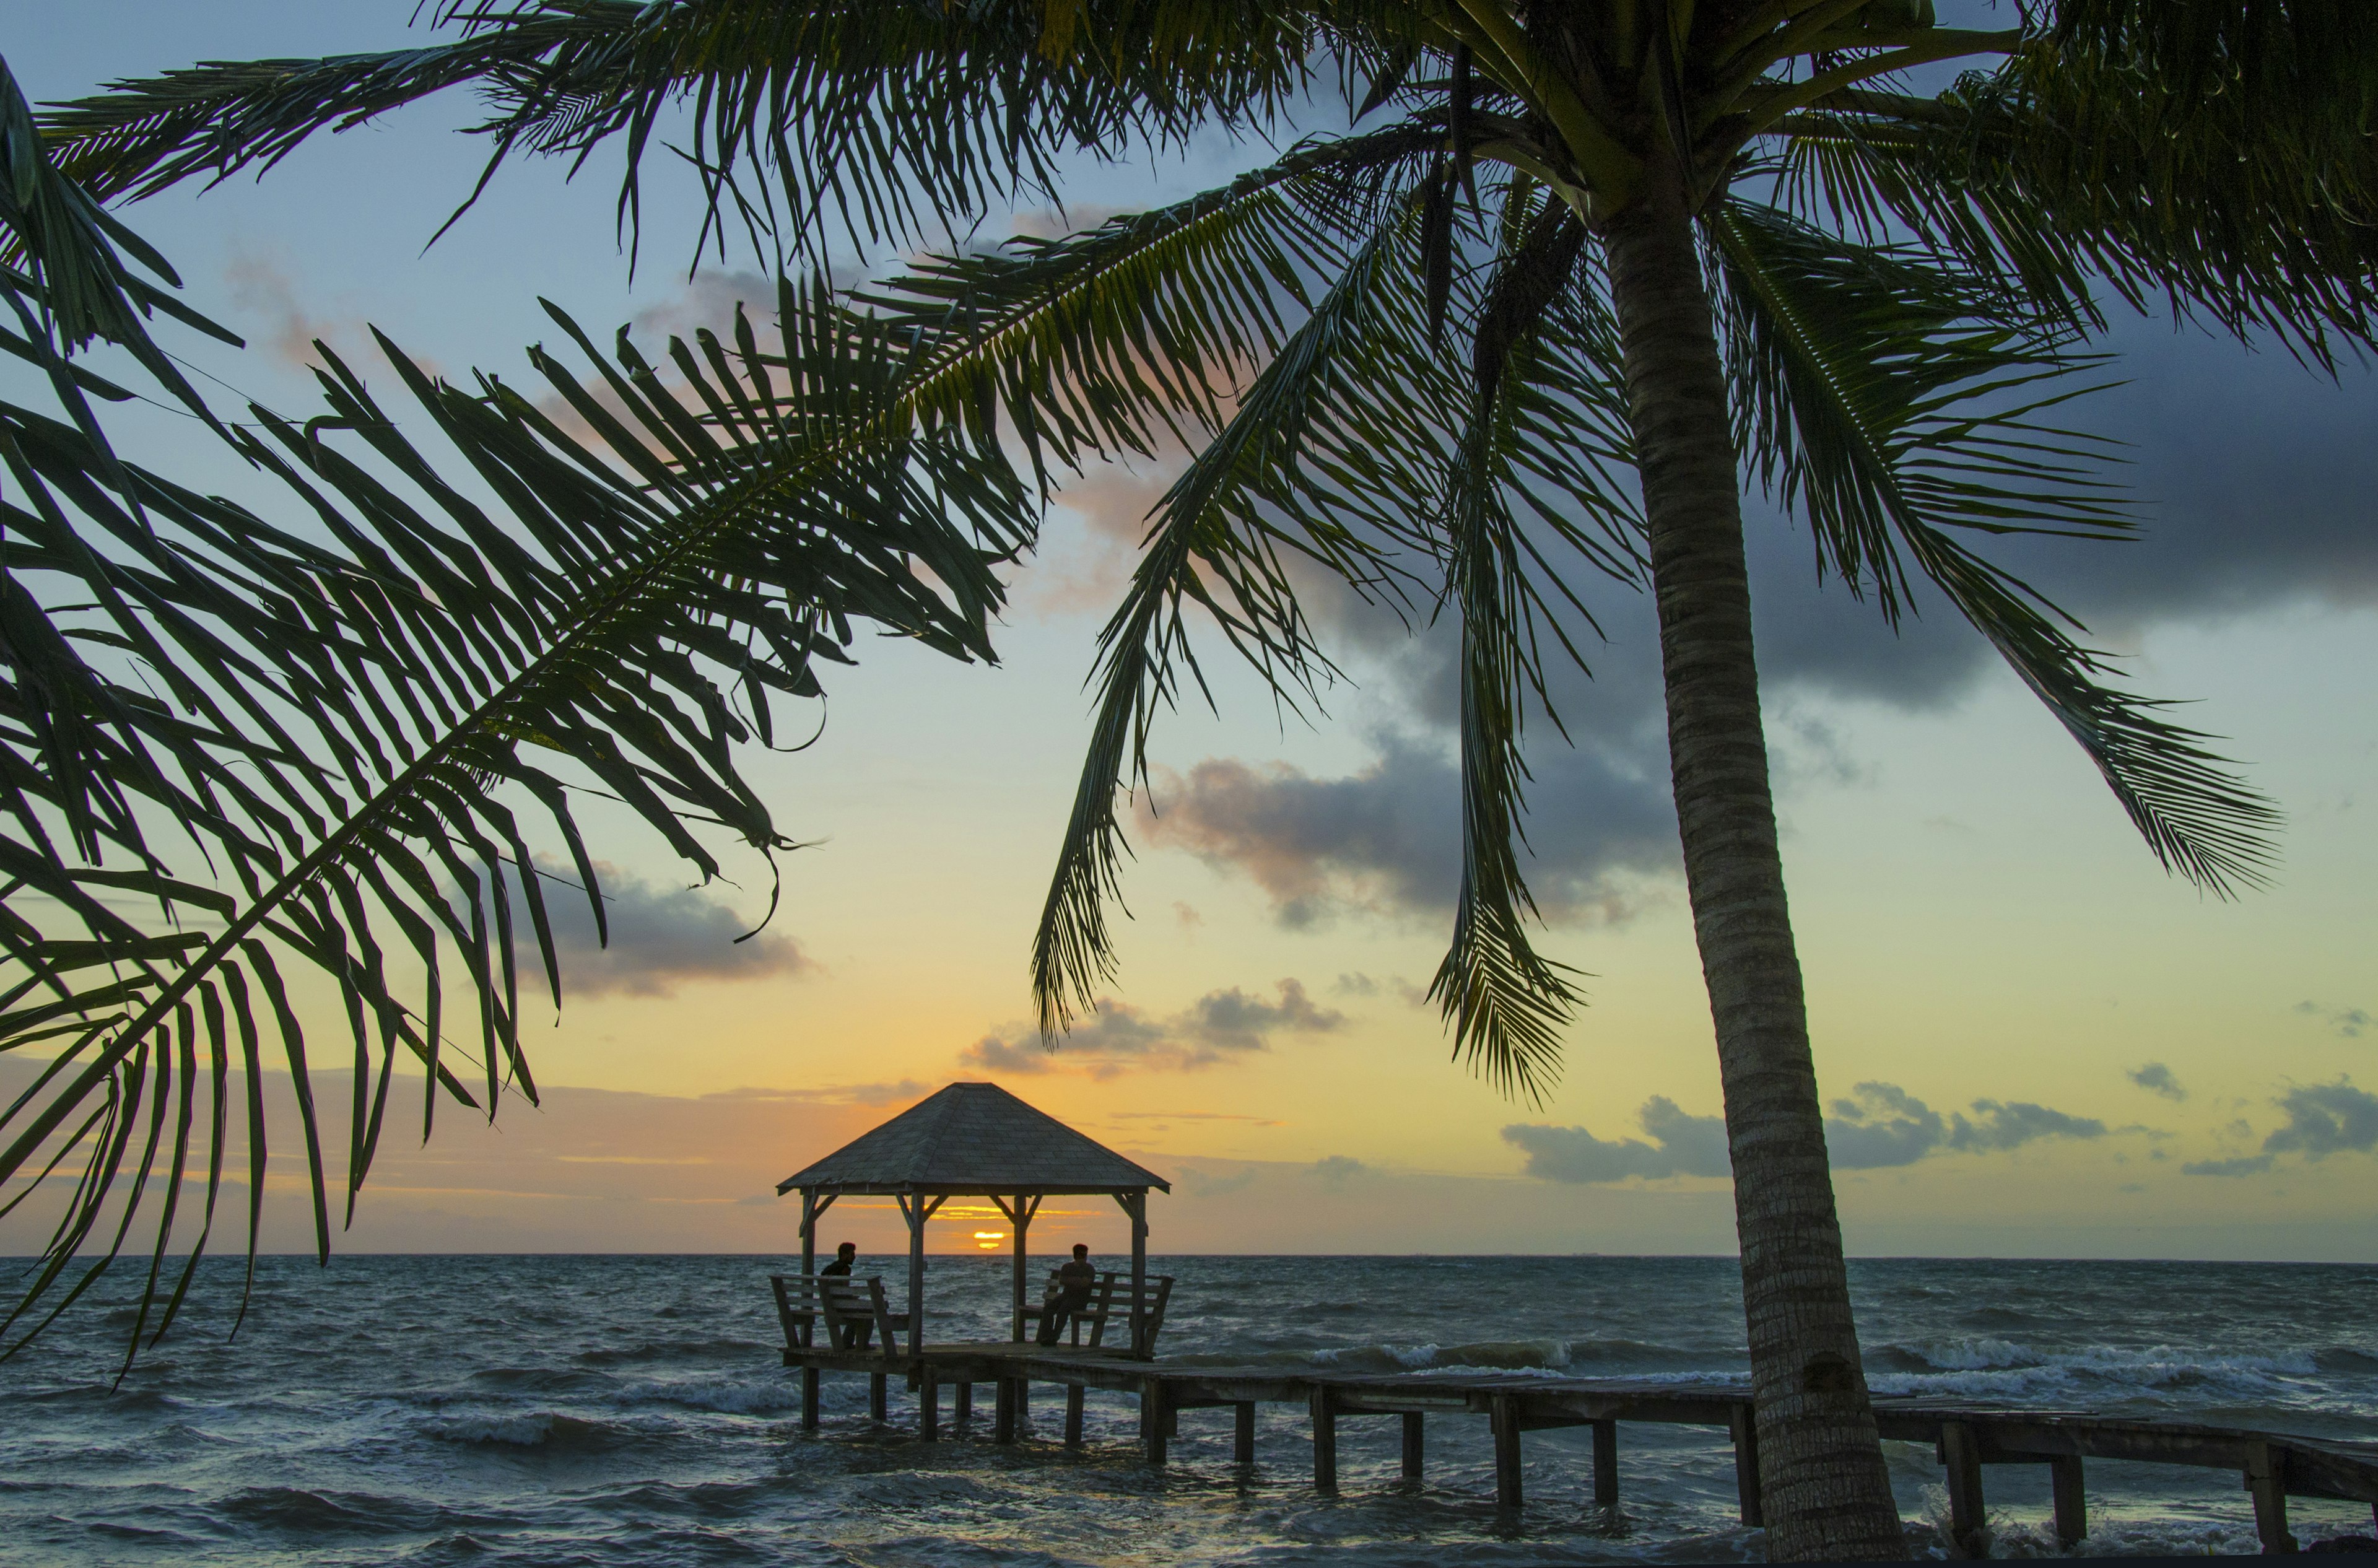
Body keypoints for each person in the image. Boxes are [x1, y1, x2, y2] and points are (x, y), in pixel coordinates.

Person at [1037, 1244, 1099, 1346]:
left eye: (1085, 1255)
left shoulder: (1089, 1269)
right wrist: (1078, 1280)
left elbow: (1085, 1283)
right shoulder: (1067, 1267)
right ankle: (1047, 1336)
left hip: (1080, 1299)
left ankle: (1054, 1337)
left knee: (1063, 1310)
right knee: (1048, 1308)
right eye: (1081, 1255)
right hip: (1066, 1296)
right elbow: (1062, 1280)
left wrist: (1070, 1280)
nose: (1083, 1258)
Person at [819, 1242, 869, 1348]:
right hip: (840, 1306)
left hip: (829, 1306)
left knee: (858, 1310)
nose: (854, 1257)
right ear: (844, 1255)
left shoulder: (830, 1269)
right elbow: (845, 1291)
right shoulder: (845, 1269)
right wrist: (852, 1297)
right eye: (852, 1254)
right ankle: (862, 1344)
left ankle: (847, 1341)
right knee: (869, 1311)